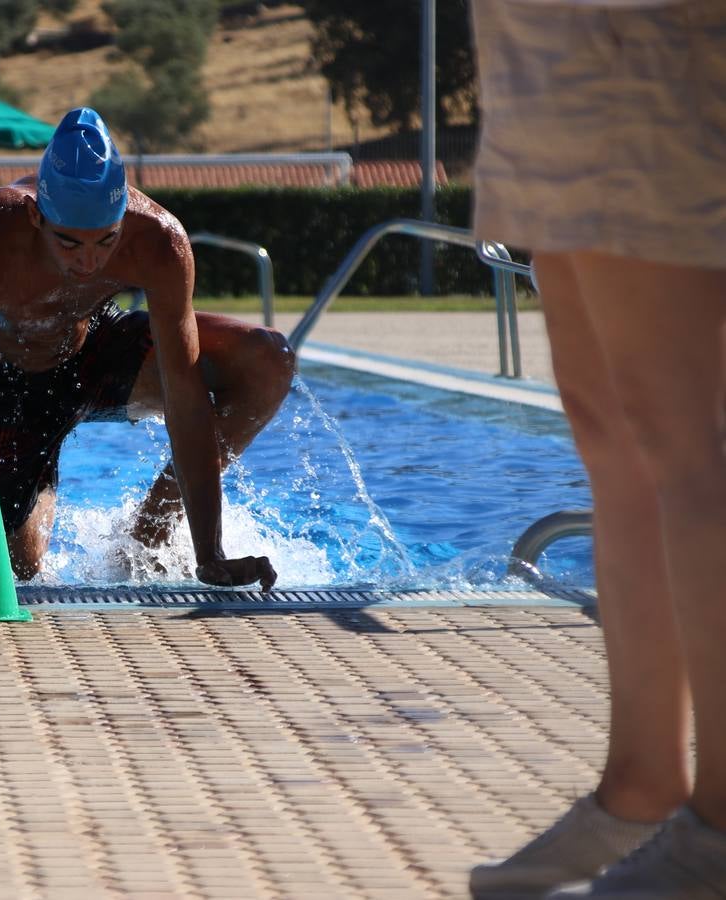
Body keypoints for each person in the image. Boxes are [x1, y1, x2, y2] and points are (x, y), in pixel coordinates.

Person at [465, 1, 726, 898]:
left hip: (646, 29)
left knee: (685, 433)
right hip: (544, 42)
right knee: (609, 428)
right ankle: (641, 789)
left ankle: (720, 830)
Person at [0, 107, 294, 593]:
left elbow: (184, 392)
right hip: (3, 385)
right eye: (69, 243)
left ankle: (153, 531)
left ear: (123, 217)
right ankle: (40, 470)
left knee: (269, 359)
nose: (90, 262)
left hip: (92, 352)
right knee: (18, 572)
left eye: (106, 241)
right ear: (36, 216)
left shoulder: (158, 239)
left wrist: (211, 555)